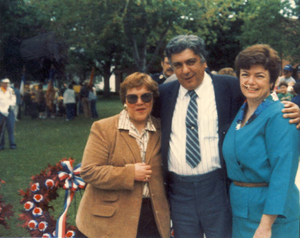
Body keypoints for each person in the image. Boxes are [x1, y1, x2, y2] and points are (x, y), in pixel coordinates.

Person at [152, 35, 300, 238]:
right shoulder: (164, 94)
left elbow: (267, 104)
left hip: (218, 191)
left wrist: (295, 110)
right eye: (178, 65)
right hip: (181, 194)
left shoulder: (230, 88)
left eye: (191, 62)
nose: (185, 70)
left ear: (204, 62)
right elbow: (137, 111)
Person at [76, 72, 170, 238]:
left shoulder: (163, 129)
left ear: (153, 99)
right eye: (132, 98)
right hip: (108, 221)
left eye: (145, 97)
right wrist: (130, 173)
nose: (139, 102)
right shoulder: (103, 128)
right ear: (125, 101)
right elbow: (89, 171)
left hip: (152, 217)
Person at [222, 44, 300, 238]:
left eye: (259, 76)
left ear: (273, 80)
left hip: (272, 219)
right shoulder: (241, 112)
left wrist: (266, 225)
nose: (250, 81)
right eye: (245, 74)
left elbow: (283, 174)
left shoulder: (281, 115)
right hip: (241, 214)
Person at [0, 78, 17, 150]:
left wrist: (11, 105)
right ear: (1, 83)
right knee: (1, 130)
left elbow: (13, 99)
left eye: (7, 83)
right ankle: (1, 145)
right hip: (1, 112)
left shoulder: (11, 90)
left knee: (10, 129)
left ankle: (12, 144)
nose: (6, 84)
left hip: (9, 112)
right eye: (5, 83)